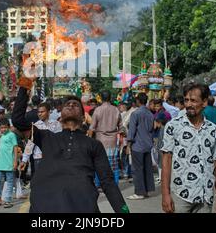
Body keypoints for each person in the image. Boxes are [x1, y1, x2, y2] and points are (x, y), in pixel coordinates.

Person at [12, 77, 129, 213]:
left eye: (75, 104)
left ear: (83, 117)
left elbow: (108, 182)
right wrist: (26, 82)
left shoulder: (94, 145)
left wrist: (124, 211)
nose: (71, 105)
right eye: (67, 104)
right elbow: (18, 121)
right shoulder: (46, 137)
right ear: (60, 116)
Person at [161, 83, 216, 213]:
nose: (189, 104)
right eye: (186, 100)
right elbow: (166, 161)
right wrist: (165, 194)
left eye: (193, 100)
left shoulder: (212, 129)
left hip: (206, 197)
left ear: (205, 102)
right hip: (181, 196)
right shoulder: (173, 126)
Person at [88, 90, 122, 186]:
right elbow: (121, 127)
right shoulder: (115, 109)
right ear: (110, 98)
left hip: (100, 141)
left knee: (99, 164)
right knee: (113, 165)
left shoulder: (98, 110)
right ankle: (114, 184)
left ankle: (99, 184)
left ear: (101, 98)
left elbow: (92, 128)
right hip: (113, 141)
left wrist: (89, 141)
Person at [19, 102, 62, 176]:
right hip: (38, 158)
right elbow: (30, 145)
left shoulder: (56, 124)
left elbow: (60, 141)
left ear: (48, 112)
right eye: (38, 112)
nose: (39, 114)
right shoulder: (35, 126)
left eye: (42, 112)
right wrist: (24, 160)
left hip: (52, 158)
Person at [126, 93, 155, 200]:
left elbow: (132, 131)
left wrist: (128, 145)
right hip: (147, 144)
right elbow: (152, 129)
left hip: (137, 144)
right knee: (147, 168)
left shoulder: (135, 113)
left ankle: (139, 192)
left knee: (137, 169)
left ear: (138, 101)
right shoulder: (150, 114)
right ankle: (146, 190)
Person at [153, 112, 168, 185]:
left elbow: (161, 141)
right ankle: (161, 177)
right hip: (162, 149)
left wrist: (160, 149)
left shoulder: (162, 130)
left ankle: (161, 178)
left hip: (161, 150)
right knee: (161, 164)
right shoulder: (163, 129)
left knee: (161, 164)